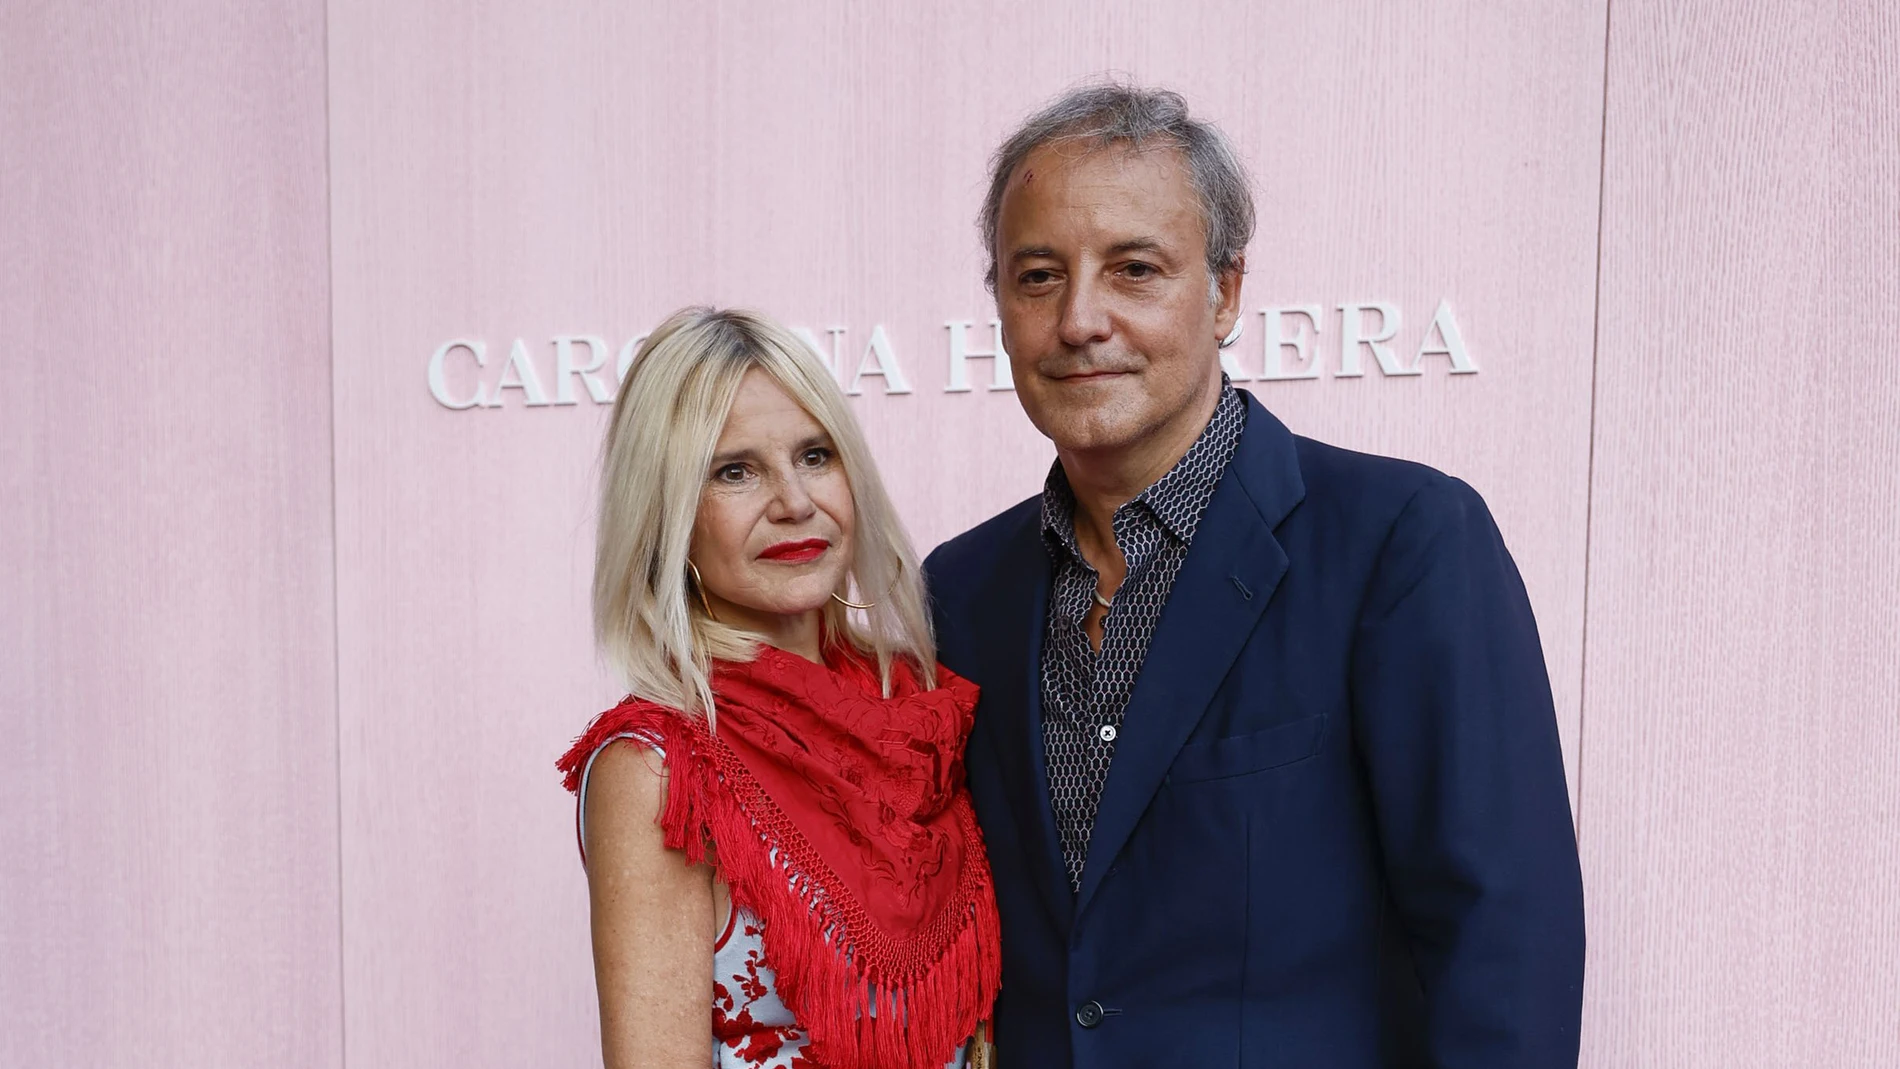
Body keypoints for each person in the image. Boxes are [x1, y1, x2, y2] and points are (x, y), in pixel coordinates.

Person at [923, 83, 1586, 1067]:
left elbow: (1504, 946)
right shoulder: (960, 590)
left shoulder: (1401, 543)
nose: (1078, 319)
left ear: (1225, 291)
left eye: (1134, 270)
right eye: (1036, 276)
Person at [559, 308, 999, 1069]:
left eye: (815, 455)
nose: (795, 501)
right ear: (670, 519)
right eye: (736, 470)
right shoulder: (659, 765)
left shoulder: (922, 705)